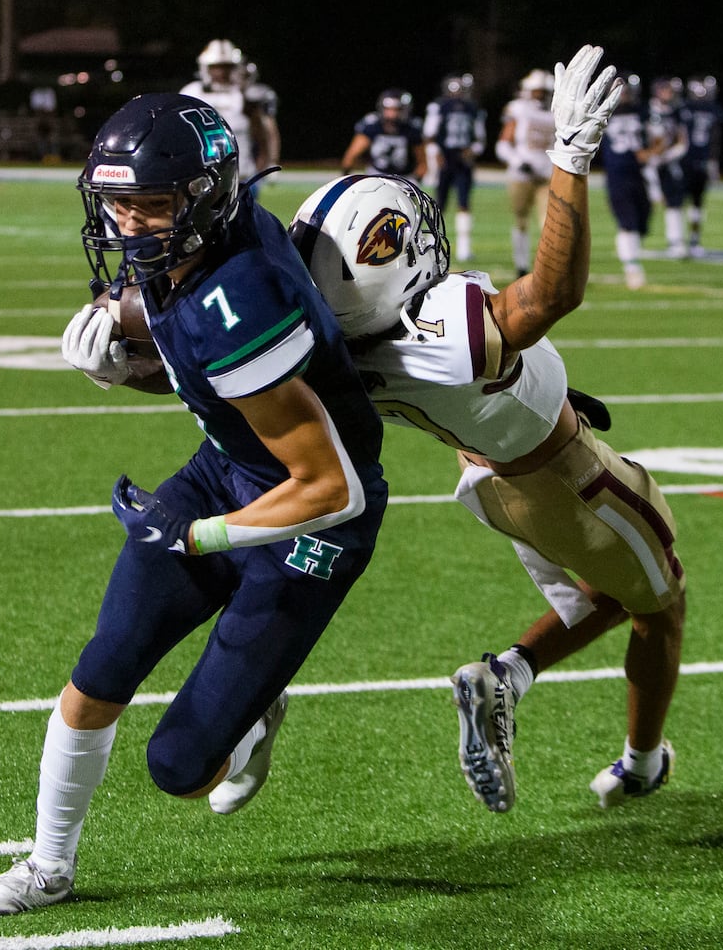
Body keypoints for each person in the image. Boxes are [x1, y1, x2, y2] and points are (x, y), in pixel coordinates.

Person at [0, 93, 388, 917]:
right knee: (103, 667)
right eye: (115, 203)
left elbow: (331, 486)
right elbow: (208, 382)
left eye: (150, 206)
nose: (128, 224)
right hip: (232, 466)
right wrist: (127, 367)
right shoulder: (186, 244)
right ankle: (49, 866)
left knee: (180, 770)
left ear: (204, 198)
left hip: (314, 522)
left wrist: (195, 537)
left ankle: (252, 713)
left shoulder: (239, 299)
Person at [289, 46, 684, 815]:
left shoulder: (335, 344)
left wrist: (132, 344)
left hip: (491, 480)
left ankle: (509, 677)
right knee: (660, 607)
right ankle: (640, 761)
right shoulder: (443, 336)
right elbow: (551, 293)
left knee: (600, 596)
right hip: (564, 477)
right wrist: (569, 157)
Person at [180, 39, 281, 185]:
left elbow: (266, 133)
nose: (222, 72)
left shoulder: (247, 95)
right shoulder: (192, 92)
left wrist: (269, 162)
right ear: (205, 68)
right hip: (202, 176)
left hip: (243, 174)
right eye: (216, 67)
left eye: (227, 67)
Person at [496, 68, 558, 276]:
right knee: (521, 220)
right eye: (536, 91)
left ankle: (546, 267)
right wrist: (517, 161)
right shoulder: (518, 109)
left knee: (548, 221)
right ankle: (521, 265)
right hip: (522, 173)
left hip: (547, 174)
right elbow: (503, 144)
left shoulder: (557, 112)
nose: (540, 95)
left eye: (543, 91)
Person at [598, 72, 656, 289]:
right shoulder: (603, 113)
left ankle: (631, 256)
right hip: (617, 174)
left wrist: (652, 151)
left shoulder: (643, 113)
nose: (623, 96)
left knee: (643, 220)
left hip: (640, 173)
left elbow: (657, 137)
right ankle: (632, 267)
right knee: (628, 222)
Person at [422, 72, 487, 262]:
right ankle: (429, 242)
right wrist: (436, 153)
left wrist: (473, 150)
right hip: (445, 157)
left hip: (463, 160)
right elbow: (429, 135)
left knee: (464, 203)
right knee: (439, 203)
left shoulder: (473, 109)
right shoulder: (439, 107)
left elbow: (479, 139)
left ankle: (464, 249)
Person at [678, 75, 723, 257]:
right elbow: (715, 138)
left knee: (690, 203)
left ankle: (687, 240)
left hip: (691, 160)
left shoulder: (685, 108)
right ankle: (689, 239)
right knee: (693, 203)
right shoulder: (708, 110)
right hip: (694, 160)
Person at [340, 87, 427, 181]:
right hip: (375, 175)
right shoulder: (372, 125)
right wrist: (346, 175)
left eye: (397, 110)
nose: (392, 115)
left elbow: (422, 162)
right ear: (381, 108)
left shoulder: (412, 128)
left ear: (405, 110)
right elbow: (352, 155)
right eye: (388, 109)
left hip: (404, 178)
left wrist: (415, 181)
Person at [646, 75, 691, 258]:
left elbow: (682, 141)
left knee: (674, 202)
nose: (668, 94)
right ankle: (633, 236)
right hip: (648, 165)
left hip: (667, 164)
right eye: (665, 90)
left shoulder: (676, 112)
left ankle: (676, 240)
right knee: (643, 201)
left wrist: (668, 155)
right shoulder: (646, 112)